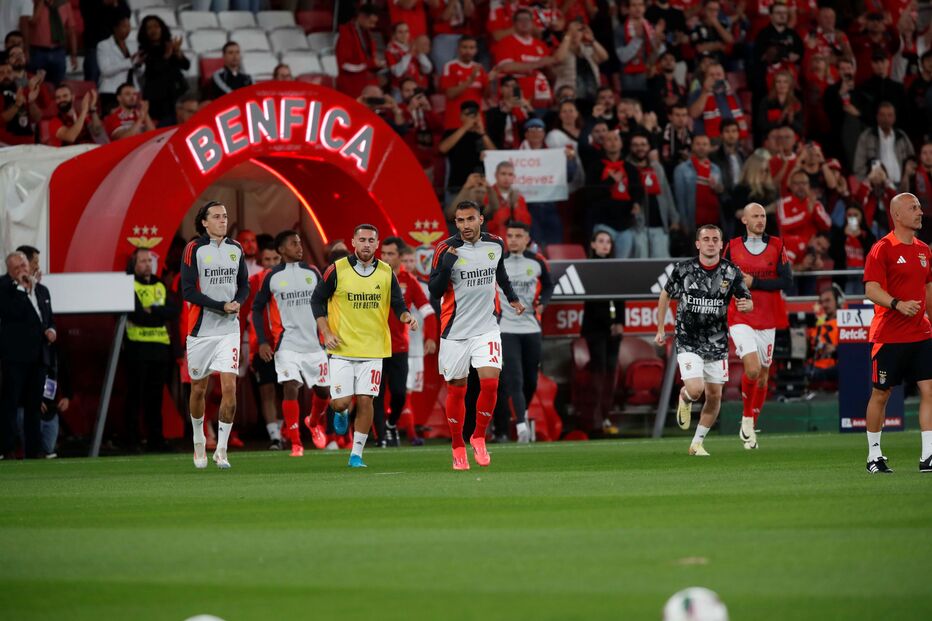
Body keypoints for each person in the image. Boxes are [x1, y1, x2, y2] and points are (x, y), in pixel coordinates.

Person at [429, 201, 524, 470]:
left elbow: (500, 275)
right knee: (457, 389)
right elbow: (434, 291)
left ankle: (479, 436)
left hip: (486, 328)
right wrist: (447, 266)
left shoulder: (495, 244)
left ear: (481, 219)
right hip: (455, 331)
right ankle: (457, 445)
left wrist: (513, 298)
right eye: (460, 221)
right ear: (455, 223)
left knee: (491, 384)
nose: (465, 225)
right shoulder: (444, 249)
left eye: (470, 219)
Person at [311, 224, 415, 467]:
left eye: (371, 240)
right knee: (342, 402)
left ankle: (356, 454)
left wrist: (406, 317)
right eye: (362, 240)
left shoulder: (387, 272)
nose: (367, 244)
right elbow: (317, 301)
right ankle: (340, 412)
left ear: (377, 244)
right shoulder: (337, 270)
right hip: (342, 349)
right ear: (353, 243)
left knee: (366, 399)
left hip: (373, 349)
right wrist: (325, 331)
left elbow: (398, 305)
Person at [655, 225, 753, 456]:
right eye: (706, 239)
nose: (710, 243)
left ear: (721, 244)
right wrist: (661, 328)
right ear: (698, 244)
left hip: (717, 342)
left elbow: (747, 300)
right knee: (696, 389)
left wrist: (747, 305)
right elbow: (665, 295)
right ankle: (685, 397)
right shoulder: (684, 269)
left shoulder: (731, 271)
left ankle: (696, 443)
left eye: (715, 239)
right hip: (688, 339)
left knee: (715, 396)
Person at [861, 193, 932, 474]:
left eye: (919, 207)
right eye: (913, 208)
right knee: (882, 394)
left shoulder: (924, 250)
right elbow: (871, 288)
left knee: (930, 390)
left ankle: (928, 454)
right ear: (897, 215)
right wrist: (897, 304)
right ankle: (874, 455)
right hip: (889, 334)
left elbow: (928, 291)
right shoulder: (882, 248)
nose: (920, 212)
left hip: (921, 333)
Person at [181, 201, 249, 470]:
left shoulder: (236, 248)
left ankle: (221, 450)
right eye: (217, 217)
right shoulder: (194, 249)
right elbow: (188, 291)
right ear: (204, 222)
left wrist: (237, 302)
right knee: (199, 388)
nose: (223, 220)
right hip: (201, 331)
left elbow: (243, 284)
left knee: (230, 387)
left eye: (225, 216)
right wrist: (221, 305)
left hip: (229, 330)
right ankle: (199, 439)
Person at [251, 231, 331, 457]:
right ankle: (296, 443)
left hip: (315, 344)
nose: (299, 247)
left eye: (299, 242)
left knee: (323, 392)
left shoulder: (313, 272)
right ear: (281, 250)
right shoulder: (271, 277)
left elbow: (327, 302)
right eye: (293, 243)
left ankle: (313, 423)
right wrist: (264, 341)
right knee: (290, 386)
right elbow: (257, 309)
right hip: (287, 344)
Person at [723, 204, 792, 450]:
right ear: (744, 219)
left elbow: (786, 281)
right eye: (755, 216)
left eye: (763, 215)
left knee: (763, 377)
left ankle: (752, 423)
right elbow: (722, 279)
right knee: (751, 369)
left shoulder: (776, 245)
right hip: (741, 316)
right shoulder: (731, 246)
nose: (760, 220)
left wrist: (755, 282)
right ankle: (746, 417)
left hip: (767, 317)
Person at [373, 237, 436, 446]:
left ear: (400, 257)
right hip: (374, 347)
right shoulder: (371, 277)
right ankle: (381, 437)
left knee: (400, 393)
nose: (385, 258)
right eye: (383, 254)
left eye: (390, 254)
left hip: (400, 347)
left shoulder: (409, 281)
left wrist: (431, 336)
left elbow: (427, 310)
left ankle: (391, 424)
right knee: (377, 394)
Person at [495, 221, 553, 443]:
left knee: (531, 381)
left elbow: (548, 285)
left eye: (518, 235)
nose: (513, 239)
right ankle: (521, 425)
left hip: (531, 328)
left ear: (527, 239)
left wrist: (542, 303)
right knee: (514, 379)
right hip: (506, 329)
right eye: (510, 235)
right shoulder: (498, 261)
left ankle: (522, 412)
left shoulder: (537, 262)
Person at [0, 251, 56, 459]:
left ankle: (35, 450)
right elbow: (10, 313)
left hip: (39, 356)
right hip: (15, 357)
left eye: (24, 265)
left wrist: (52, 330)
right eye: (17, 269)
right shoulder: (4, 289)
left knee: (34, 405)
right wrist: (22, 290)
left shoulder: (42, 290)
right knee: (10, 404)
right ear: (10, 272)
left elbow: (49, 318)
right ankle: (7, 449)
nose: (23, 270)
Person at [124, 247, 178, 453]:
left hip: (160, 349)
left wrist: (153, 310)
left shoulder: (159, 284)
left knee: (155, 397)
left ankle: (156, 439)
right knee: (135, 395)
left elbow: (173, 310)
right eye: (143, 261)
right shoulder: (129, 285)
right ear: (134, 264)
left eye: (149, 260)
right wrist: (158, 314)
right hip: (137, 348)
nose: (147, 264)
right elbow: (137, 315)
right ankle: (132, 438)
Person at [242, 243, 284, 450]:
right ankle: (275, 437)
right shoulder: (252, 283)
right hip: (261, 346)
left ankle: (285, 431)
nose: (271, 264)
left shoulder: (291, 282)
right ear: (260, 262)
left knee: (286, 391)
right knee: (267, 391)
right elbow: (244, 316)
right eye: (267, 260)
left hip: (287, 345)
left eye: (275, 259)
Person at [585, 129, 644, 257]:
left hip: (625, 225)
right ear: (603, 144)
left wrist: (637, 204)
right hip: (602, 223)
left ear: (622, 144)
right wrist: (611, 180)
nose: (613, 143)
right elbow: (589, 194)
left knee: (623, 265)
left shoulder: (630, 168)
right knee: (601, 264)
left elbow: (638, 191)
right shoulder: (595, 167)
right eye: (609, 140)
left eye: (616, 139)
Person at [628, 132, 679, 257]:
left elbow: (667, 193)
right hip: (638, 227)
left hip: (660, 226)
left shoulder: (657, 167)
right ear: (630, 148)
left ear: (649, 147)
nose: (640, 148)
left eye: (643, 145)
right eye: (635, 145)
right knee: (640, 266)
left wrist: (674, 218)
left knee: (660, 267)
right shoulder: (626, 167)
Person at [136, 14, 189, 126]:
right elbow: (154, 70)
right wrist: (167, 55)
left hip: (174, 93)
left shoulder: (169, 44)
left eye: (156, 26)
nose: (153, 30)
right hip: (156, 97)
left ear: (162, 28)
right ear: (144, 32)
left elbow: (186, 65)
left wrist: (177, 52)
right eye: (149, 28)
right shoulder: (144, 50)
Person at [852, 102, 914, 186]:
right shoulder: (867, 136)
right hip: (877, 187)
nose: (886, 119)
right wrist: (868, 182)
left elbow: (912, 158)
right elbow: (858, 166)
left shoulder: (901, 136)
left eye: (889, 115)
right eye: (882, 115)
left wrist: (908, 170)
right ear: (877, 117)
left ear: (894, 117)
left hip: (901, 186)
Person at [439, 35, 491, 131]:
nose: (468, 51)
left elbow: (486, 95)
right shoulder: (450, 66)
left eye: (471, 48)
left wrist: (490, 81)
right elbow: (450, 94)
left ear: (476, 50)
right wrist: (470, 81)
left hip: (476, 124)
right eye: (464, 47)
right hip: (455, 123)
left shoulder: (479, 68)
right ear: (458, 49)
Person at [674, 134, 724, 233]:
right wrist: (684, 223)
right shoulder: (681, 169)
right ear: (692, 146)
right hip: (694, 223)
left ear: (710, 147)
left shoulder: (715, 169)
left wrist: (719, 188)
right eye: (698, 144)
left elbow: (720, 192)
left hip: (714, 221)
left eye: (705, 144)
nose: (701, 147)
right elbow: (680, 199)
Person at [25, 0, 78, 87]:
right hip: (37, 52)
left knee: (58, 85)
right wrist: (40, 3)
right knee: (34, 85)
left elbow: (71, 30)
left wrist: (74, 55)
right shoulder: (33, 3)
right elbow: (32, 21)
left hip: (58, 51)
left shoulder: (64, 4)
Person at [335, 3, 382, 98]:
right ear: (362, 17)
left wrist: (376, 65)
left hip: (366, 85)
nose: (373, 26)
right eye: (371, 22)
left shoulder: (367, 34)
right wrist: (369, 64)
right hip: (351, 87)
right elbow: (344, 65)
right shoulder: (346, 33)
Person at [95, 15, 140, 115]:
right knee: (114, 123)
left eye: (129, 26)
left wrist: (139, 65)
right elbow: (105, 70)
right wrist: (129, 62)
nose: (128, 29)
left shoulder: (133, 45)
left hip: (132, 91)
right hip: (111, 92)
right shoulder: (103, 45)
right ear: (115, 28)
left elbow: (139, 72)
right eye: (124, 26)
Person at [485, 160, 532, 239]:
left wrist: (515, 207)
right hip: (493, 242)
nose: (506, 178)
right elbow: (487, 225)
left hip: (514, 243)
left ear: (514, 177)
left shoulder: (519, 198)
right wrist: (507, 209)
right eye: (503, 174)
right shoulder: (487, 195)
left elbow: (526, 224)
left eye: (510, 174)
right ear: (496, 175)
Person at [385, 21, 432, 93]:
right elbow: (397, 73)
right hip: (400, 89)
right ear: (394, 34)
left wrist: (419, 54)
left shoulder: (413, 44)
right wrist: (409, 54)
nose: (404, 35)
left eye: (406, 31)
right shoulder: (390, 50)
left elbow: (427, 69)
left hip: (417, 87)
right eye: (400, 32)